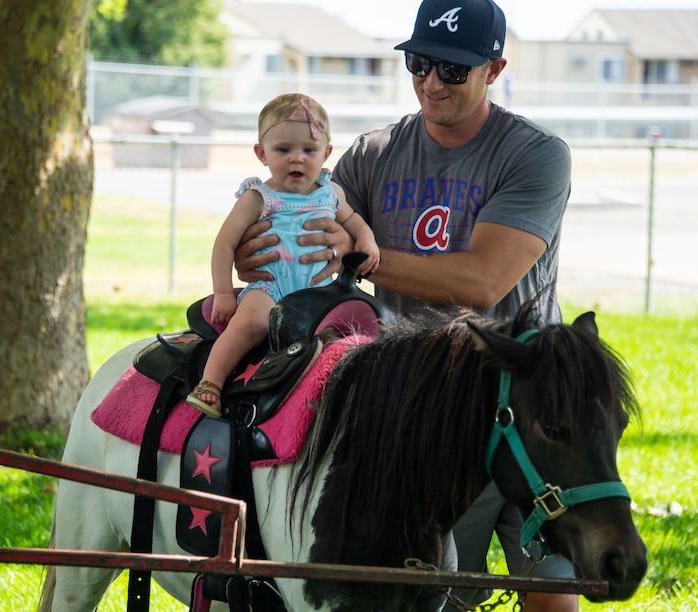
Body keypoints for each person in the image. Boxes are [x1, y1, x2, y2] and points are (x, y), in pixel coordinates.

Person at [233, 0, 577, 609]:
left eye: (451, 69)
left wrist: (366, 255)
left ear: (494, 70)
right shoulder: (371, 154)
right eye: (419, 62)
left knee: (551, 584)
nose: (429, 81)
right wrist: (256, 253)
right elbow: (296, 220)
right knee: (437, 590)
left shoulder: (536, 154)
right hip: (422, 412)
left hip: (521, 400)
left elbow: (482, 284)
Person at [187, 93, 379, 417]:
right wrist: (222, 290)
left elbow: (354, 221)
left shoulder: (331, 192)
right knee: (252, 322)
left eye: (309, 150)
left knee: (348, 335)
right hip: (270, 287)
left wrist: (367, 242)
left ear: (326, 153)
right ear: (261, 154)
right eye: (283, 150)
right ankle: (211, 382)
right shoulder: (258, 197)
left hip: (318, 291)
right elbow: (224, 244)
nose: (297, 159)